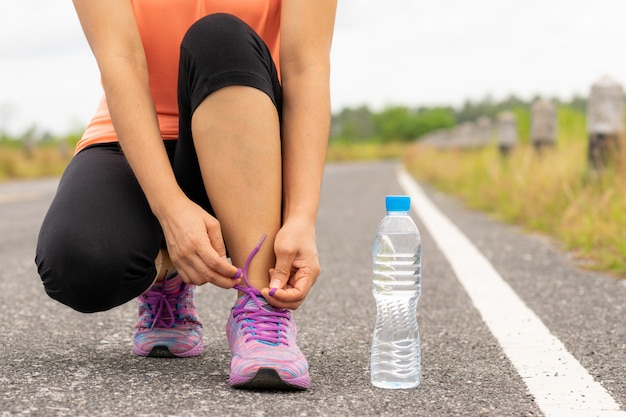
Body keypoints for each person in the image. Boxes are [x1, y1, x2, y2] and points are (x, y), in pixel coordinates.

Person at [35, 0, 337, 391]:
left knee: (219, 36)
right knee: (78, 265)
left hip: (243, 133)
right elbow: (121, 60)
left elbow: (305, 67)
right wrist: (171, 210)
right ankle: (167, 272)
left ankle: (262, 309)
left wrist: (301, 217)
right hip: (135, 136)